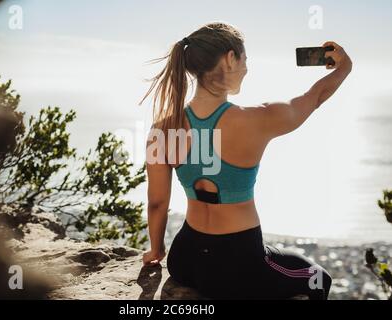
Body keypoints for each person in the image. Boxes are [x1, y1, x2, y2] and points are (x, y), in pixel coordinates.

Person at [139, 22, 352, 299]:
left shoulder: (162, 129)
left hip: (185, 259)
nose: (247, 69)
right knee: (318, 278)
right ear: (230, 58)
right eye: (245, 60)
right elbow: (314, 97)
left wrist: (156, 250)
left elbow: (157, 203)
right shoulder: (257, 119)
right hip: (236, 265)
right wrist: (344, 67)